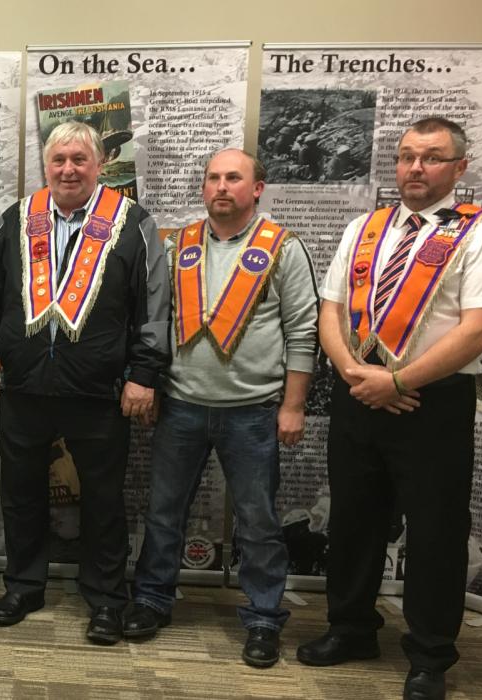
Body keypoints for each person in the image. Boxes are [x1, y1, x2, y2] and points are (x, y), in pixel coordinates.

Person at [297, 117, 482, 700]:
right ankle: (351, 629)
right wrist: (355, 375)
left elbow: (479, 331)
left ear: (459, 167)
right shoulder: (364, 228)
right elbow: (330, 309)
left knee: (435, 532)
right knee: (353, 520)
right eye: (406, 156)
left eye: (432, 157)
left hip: (432, 402)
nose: (415, 168)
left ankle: (429, 655)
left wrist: (396, 380)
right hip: (358, 392)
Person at [0, 120, 170, 645]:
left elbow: (153, 305)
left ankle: (106, 599)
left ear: (100, 165)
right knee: (20, 493)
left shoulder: (132, 223)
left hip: (99, 390)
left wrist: (144, 375)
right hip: (24, 386)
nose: (68, 169)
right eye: (58, 160)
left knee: (103, 498)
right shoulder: (18, 218)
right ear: (46, 166)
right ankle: (23, 586)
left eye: (80, 159)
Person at [125, 148, 318, 667]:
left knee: (258, 521)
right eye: (213, 178)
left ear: (257, 188)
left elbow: (303, 331)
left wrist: (293, 405)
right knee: (164, 512)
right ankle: (152, 599)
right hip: (181, 405)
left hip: (253, 411)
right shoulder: (178, 245)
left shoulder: (283, 248)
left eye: (234, 177)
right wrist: (150, 385)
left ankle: (263, 618)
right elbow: (155, 321)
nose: (222, 187)